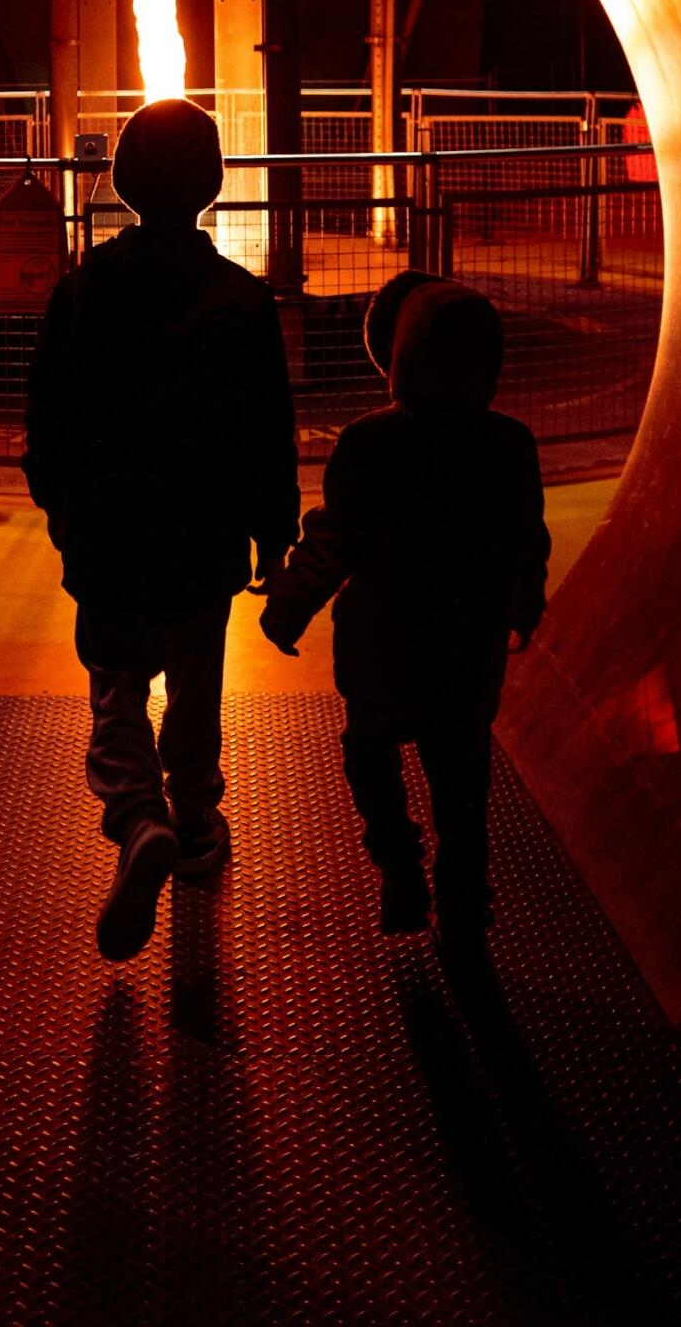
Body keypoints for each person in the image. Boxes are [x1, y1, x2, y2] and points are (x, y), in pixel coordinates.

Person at [24, 97, 299, 962]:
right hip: (202, 538)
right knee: (194, 683)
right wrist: (272, 528)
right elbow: (266, 426)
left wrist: (60, 508)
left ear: (123, 180)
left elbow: (48, 415)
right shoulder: (239, 301)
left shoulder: (82, 293)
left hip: (108, 536)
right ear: (214, 183)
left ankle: (136, 815)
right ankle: (196, 815)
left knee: (114, 688)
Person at [260, 279, 549, 943]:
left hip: (380, 642)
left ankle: (398, 864)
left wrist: (291, 604)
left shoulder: (369, 443)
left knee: (368, 751)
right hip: (466, 641)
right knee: (461, 779)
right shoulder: (508, 443)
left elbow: (334, 536)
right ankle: (463, 898)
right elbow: (524, 537)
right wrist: (522, 605)